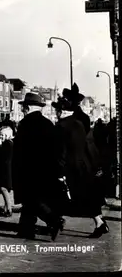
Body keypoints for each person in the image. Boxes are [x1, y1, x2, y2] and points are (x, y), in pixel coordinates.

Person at [54, 95, 108, 238]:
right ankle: (99, 222)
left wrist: (60, 171)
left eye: (57, 111)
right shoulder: (79, 124)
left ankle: (56, 223)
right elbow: (88, 145)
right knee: (86, 195)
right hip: (84, 165)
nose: (56, 114)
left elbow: (61, 151)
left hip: (70, 167)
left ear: (61, 111)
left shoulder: (61, 126)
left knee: (65, 196)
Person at [12, 93, 63, 241]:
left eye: (23, 108)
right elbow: (55, 149)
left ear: (27, 108)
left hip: (28, 170)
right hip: (46, 170)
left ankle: (54, 220)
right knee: (32, 201)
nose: (23, 110)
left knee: (31, 200)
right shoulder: (48, 124)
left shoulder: (24, 124)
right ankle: (25, 229)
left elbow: (19, 151)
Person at [0, 126, 14, 217]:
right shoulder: (10, 143)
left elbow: (2, 156)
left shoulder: (7, 144)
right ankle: (6, 208)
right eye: (0, 135)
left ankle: (9, 209)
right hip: (8, 169)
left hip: (5, 170)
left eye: (2, 135)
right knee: (6, 189)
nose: (0, 137)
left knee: (3, 189)